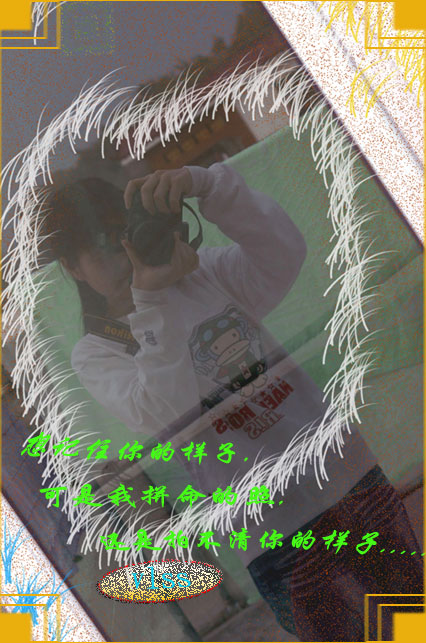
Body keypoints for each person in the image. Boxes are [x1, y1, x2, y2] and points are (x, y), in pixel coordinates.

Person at [43, 163, 422, 641]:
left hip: (346, 478)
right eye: (98, 246)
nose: (119, 252)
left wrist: (208, 185)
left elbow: (283, 253)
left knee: (414, 623)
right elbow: (165, 411)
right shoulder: (96, 351)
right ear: (73, 268)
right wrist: (151, 299)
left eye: (121, 232)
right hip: (271, 530)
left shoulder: (201, 273)